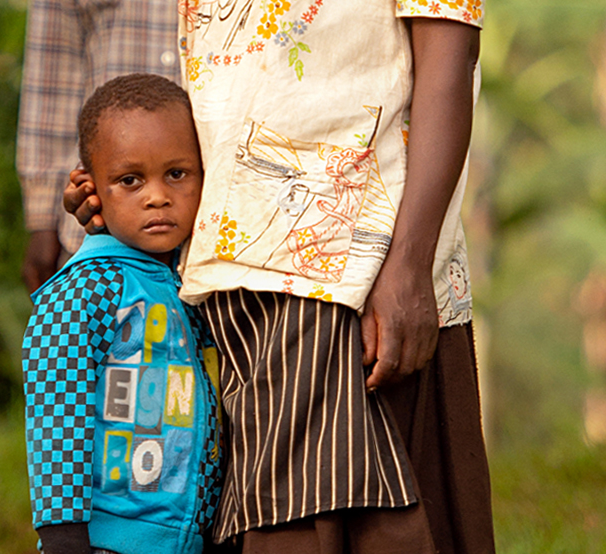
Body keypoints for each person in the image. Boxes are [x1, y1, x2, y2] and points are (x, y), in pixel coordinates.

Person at [64, 2, 495, 552]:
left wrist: (409, 262)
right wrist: (123, 194)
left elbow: (449, 56)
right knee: (274, 509)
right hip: (232, 275)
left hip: (349, 272)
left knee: (337, 516)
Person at [22, 73, 222, 554]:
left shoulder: (185, 282)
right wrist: (63, 536)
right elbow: (54, 407)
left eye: (177, 174)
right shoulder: (88, 288)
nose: (157, 196)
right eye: (130, 181)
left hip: (186, 535)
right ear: (91, 189)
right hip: (106, 540)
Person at [16, 0, 184, 293]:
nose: (156, 197)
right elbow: (53, 66)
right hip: (94, 226)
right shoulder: (84, 293)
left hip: (225, 226)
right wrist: (43, 216)